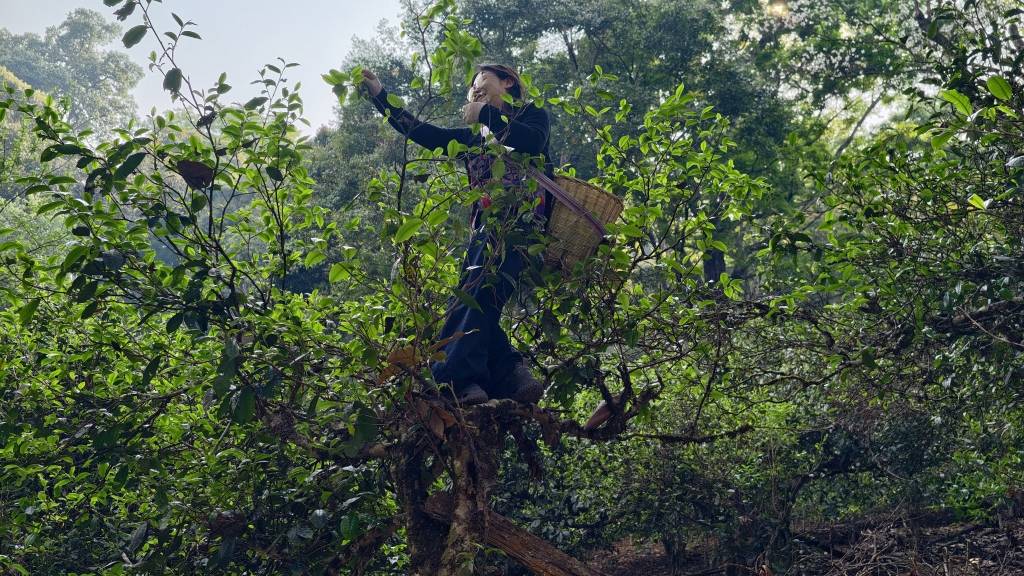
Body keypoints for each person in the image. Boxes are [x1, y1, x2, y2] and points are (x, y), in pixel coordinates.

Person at [361, 64, 553, 405]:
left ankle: (454, 383)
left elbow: (532, 142)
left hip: (521, 228)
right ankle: (511, 374)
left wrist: (485, 114)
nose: (474, 90)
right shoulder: (471, 139)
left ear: (507, 82)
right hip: (485, 231)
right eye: (471, 91)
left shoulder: (533, 116)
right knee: (471, 299)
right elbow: (420, 131)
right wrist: (380, 95)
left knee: (475, 296)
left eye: (482, 83)